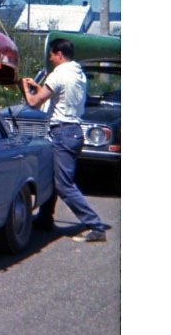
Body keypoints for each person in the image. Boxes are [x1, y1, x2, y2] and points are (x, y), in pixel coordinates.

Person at [21, 38, 108, 243]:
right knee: (52, 176)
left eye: (51, 55)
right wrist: (38, 86)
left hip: (62, 132)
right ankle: (45, 219)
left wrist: (25, 87)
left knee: (64, 184)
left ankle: (94, 225)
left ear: (59, 54)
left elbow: (33, 102)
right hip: (73, 131)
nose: (51, 60)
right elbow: (57, 94)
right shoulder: (78, 74)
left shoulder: (58, 74)